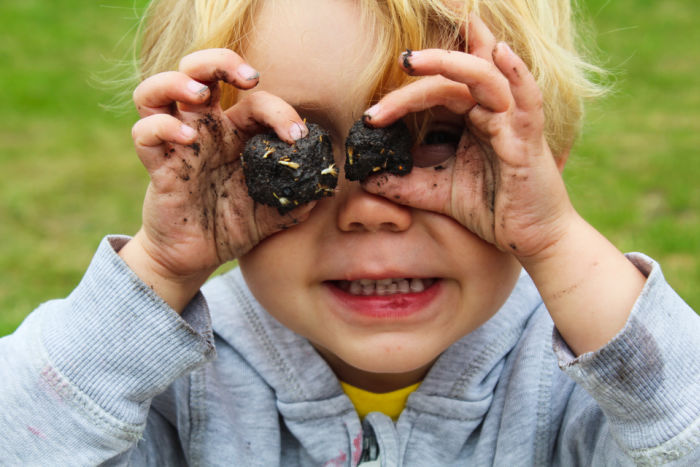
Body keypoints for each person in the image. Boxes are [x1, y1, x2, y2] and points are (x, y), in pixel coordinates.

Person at [1, 0, 698, 465]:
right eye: (285, 144)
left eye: (440, 137)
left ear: (546, 155)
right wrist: (160, 267)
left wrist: (555, 240)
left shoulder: (584, 384)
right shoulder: (164, 387)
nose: (370, 207)